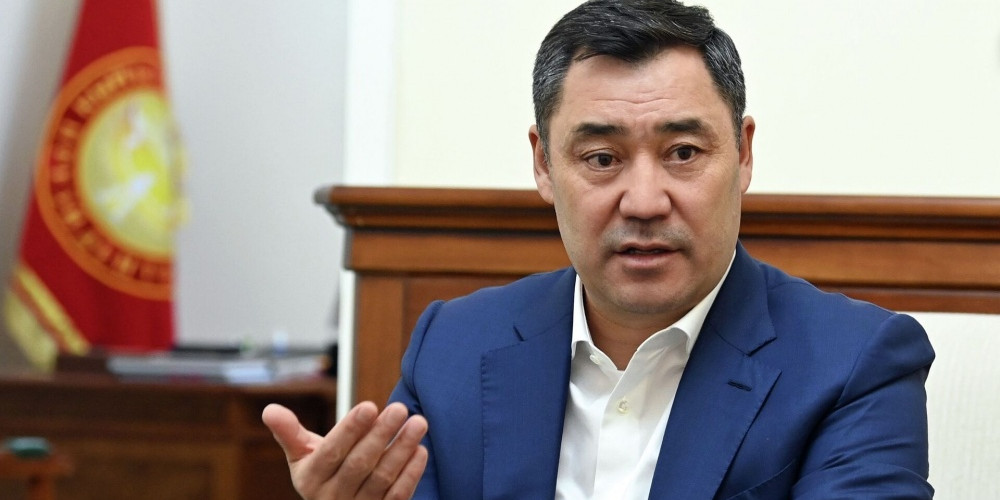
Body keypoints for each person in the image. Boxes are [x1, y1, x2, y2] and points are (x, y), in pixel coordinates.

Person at [262, 1, 935, 498]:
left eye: (683, 153)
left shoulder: (855, 364)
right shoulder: (454, 347)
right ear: (544, 165)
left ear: (743, 154)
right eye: (602, 158)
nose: (643, 201)